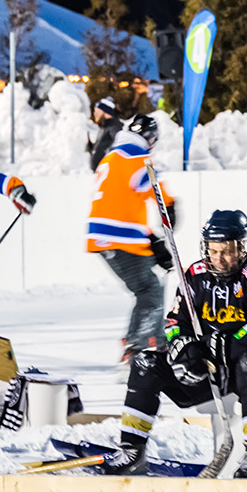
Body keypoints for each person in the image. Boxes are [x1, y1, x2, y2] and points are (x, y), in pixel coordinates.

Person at [103, 210, 247, 478]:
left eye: (227, 250)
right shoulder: (195, 274)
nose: (219, 258)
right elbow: (174, 323)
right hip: (210, 370)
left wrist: (217, 345)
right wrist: (184, 347)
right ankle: (131, 449)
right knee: (146, 363)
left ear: (242, 246)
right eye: (213, 250)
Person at [86, 113, 176, 367]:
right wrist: (170, 206)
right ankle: (143, 345)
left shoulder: (112, 157)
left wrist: (152, 240)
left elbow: (119, 204)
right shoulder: (137, 158)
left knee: (148, 285)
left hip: (105, 234)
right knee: (151, 289)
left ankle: (141, 339)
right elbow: (155, 187)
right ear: (149, 138)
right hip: (119, 235)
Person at [88, 95, 124, 172]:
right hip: (100, 174)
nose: (94, 114)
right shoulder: (104, 127)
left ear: (104, 111)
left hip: (108, 173)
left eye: (96, 111)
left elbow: (119, 148)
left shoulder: (114, 127)